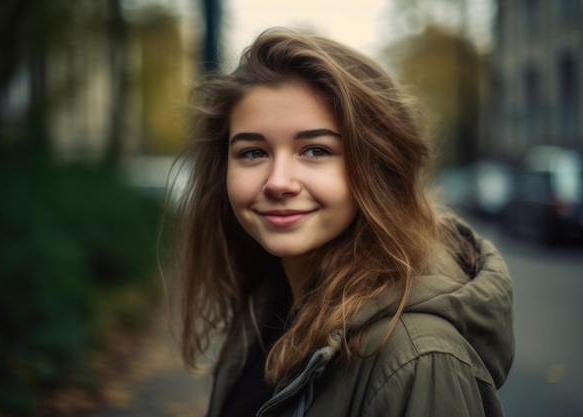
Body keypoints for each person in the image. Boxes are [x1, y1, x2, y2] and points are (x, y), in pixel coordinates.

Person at [170, 27, 514, 417]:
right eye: (252, 153)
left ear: (375, 167)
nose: (278, 182)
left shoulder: (420, 361)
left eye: (315, 150)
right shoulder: (267, 309)